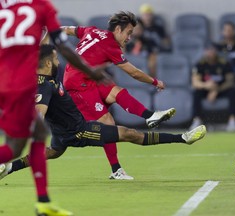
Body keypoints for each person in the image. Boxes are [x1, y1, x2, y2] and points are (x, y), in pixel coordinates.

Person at [0, 44, 206, 180]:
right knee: (129, 134)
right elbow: (39, 113)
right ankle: (183, 138)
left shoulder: (44, 78)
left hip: (62, 134)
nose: (57, 62)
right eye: (54, 60)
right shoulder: (44, 86)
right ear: (46, 64)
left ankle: (7, 169)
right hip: (78, 131)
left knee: (51, 153)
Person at [0, 0, 107, 215]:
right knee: (16, 145)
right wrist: (92, 71)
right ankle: (43, 203)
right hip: (20, 83)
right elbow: (63, 47)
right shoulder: (42, 6)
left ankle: (43, 202)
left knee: (35, 134)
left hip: (4, 80)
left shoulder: (5, 10)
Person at [62, 11, 176, 180]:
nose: (129, 37)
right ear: (117, 29)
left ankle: (150, 116)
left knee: (117, 92)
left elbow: (67, 29)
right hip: (77, 86)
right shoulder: (110, 45)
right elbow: (134, 73)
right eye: (128, 33)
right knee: (108, 122)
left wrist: (49, 31)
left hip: (88, 80)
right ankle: (116, 170)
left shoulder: (92, 30)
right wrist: (155, 82)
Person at [189, 46, 235, 131]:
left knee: (232, 91)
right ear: (205, 52)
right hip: (206, 89)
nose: (210, 53)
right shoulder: (201, 64)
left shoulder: (224, 63)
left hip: (221, 88)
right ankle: (197, 120)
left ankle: (232, 120)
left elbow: (230, 81)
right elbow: (195, 82)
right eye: (208, 51)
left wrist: (216, 90)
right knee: (196, 92)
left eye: (212, 51)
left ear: (216, 52)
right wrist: (206, 85)